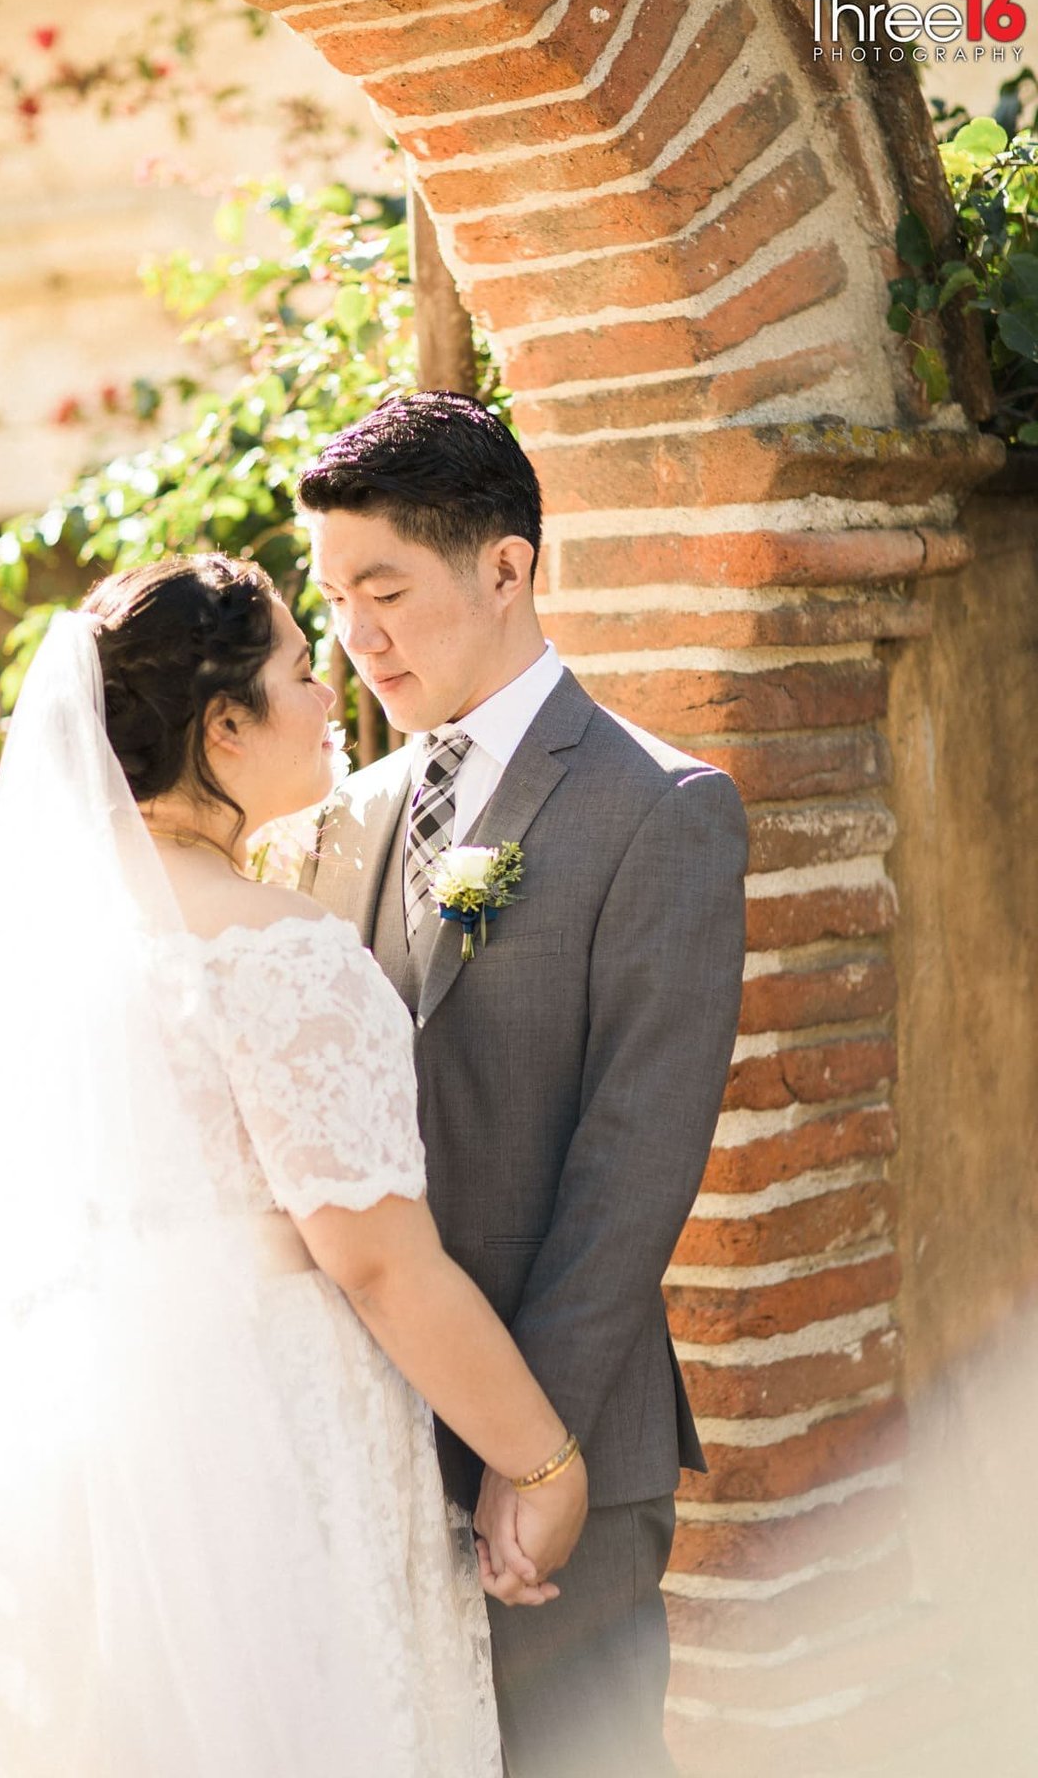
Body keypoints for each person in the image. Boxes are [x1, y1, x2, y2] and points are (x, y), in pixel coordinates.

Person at [0, 554, 587, 1778]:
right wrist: (545, 1465)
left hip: (77, 1428)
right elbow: (378, 1265)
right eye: (302, 673)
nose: (329, 700)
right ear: (224, 727)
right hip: (268, 1435)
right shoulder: (283, 953)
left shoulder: (11, 947)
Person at [298, 392, 748, 1778]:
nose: (357, 639)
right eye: (333, 599)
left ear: (507, 567)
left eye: (387, 591)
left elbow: (635, 1164)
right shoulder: (346, 817)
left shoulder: (661, 810)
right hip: (362, 1439)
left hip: (568, 1451)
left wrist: (530, 1447)